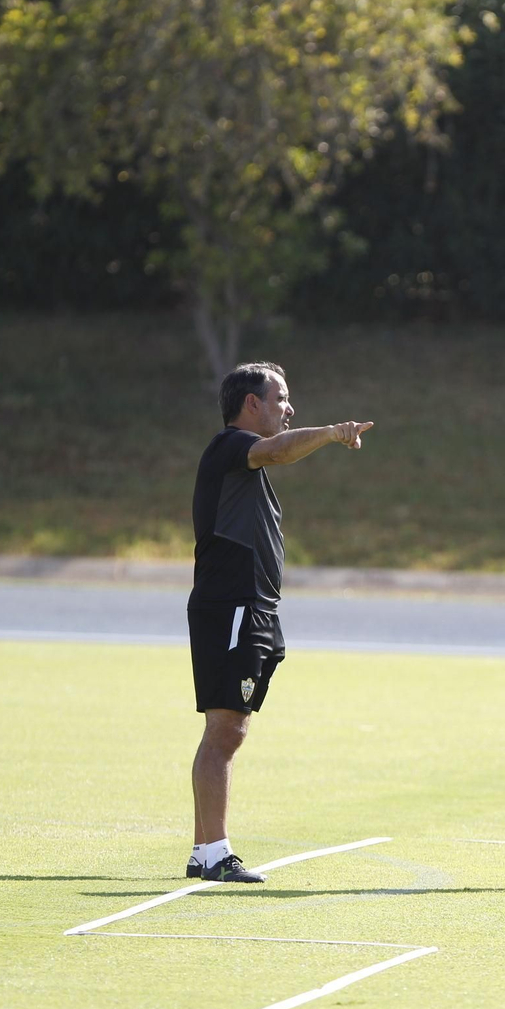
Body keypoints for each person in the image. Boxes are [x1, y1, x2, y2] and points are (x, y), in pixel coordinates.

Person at [184, 362, 373, 883]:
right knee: (225, 729)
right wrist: (334, 433)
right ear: (251, 404)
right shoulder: (231, 447)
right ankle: (215, 852)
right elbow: (280, 449)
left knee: (229, 730)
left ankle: (205, 851)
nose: (288, 409)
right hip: (232, 606)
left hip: (252, 608)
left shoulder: (246, 466)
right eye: (280, 398)